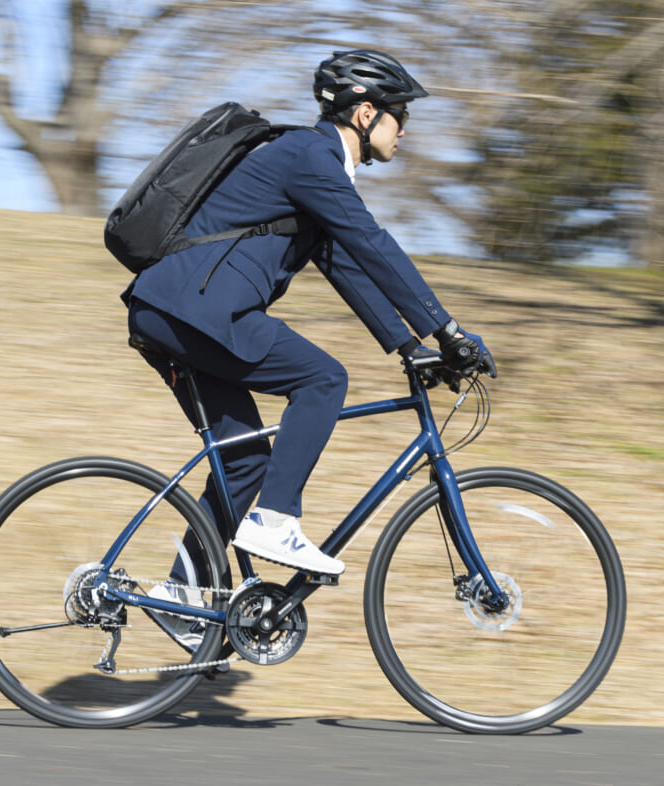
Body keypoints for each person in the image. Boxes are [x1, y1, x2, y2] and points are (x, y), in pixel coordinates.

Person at [123, 49, 491, 592]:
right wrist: (448, 330)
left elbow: (343, 262)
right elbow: (372, 243)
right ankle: (274, 520)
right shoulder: (308, 157)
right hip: (196, 313)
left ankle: (181, 593)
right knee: (322, 379)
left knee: (245, 462)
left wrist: (407, 346)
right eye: (401, 116)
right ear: (365, 115)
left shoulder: (310, 165)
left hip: (178, 314)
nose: (405, 130)